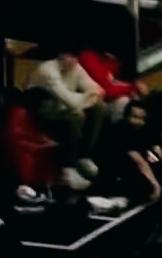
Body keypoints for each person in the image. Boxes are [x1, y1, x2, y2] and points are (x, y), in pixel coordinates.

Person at [27, 43, 107, 190]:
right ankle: (69, 166)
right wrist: (87, 98)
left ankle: (84, 156)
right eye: (70, 56)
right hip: (40, 112)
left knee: (100, 107)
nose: (73, 61)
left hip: (63, 108)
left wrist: (86, 98)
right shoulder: (48, 71)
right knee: (77, 116)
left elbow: (98, 90)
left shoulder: (76, 68)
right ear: (61, 56)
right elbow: (70, 100)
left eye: (76, 57)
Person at [99, 100, 162, 203]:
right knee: (147, 187)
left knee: (160, 171)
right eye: (135, 117)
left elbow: (155, 153)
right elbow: (139, 161)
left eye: (142, 118)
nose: (139, 122)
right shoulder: (120, 130)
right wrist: (155, 184)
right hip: (117, 166)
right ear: (126, 116)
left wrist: (161, 167)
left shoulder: (146, 129)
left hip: (138, 162)